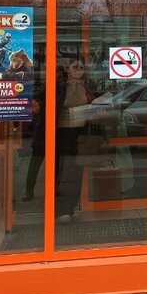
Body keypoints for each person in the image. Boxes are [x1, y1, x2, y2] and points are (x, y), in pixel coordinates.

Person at [55, 59, 94, 223]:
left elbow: (91, 104)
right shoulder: (60, 86)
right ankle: (60, 210)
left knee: (76, 172)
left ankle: (71, 208)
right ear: (68, 70)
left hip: (81, 133)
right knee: (63, 172)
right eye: (75, 67)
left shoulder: (85, 86)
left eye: (82, 67)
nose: (79, 70)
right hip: (63, 133)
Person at [21, 97, 44, 202]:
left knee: (55, 166)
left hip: (49, 139)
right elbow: (28, 130)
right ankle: (29, 191)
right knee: (33, 167)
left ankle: (54, 189)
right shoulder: (35, 116)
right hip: (40, 142)